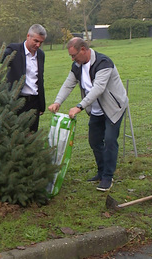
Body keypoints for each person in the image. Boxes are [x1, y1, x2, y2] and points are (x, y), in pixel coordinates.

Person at [48, 37, 128, 192]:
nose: (73, 59)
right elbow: (68, 84)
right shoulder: (77, 65)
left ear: (83, 49)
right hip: (97, 110)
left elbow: (98, 88)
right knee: (94, 141)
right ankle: (101, 171)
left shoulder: (103, 63)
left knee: (110, 141)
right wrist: (58, 102)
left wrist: (79, 106)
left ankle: (108, 177)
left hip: (113, 108)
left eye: (74, 55)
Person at [0, 24, 47, 132]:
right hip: (17, 101)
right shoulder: (14, 49)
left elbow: (40, 80)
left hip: (34, 103)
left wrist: (41, 105)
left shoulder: (41, 55)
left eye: (41, 42)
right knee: (15, 134)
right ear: (28, 36)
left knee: (31, 135)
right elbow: (3, 57)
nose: (38, 45)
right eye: (36, 41)